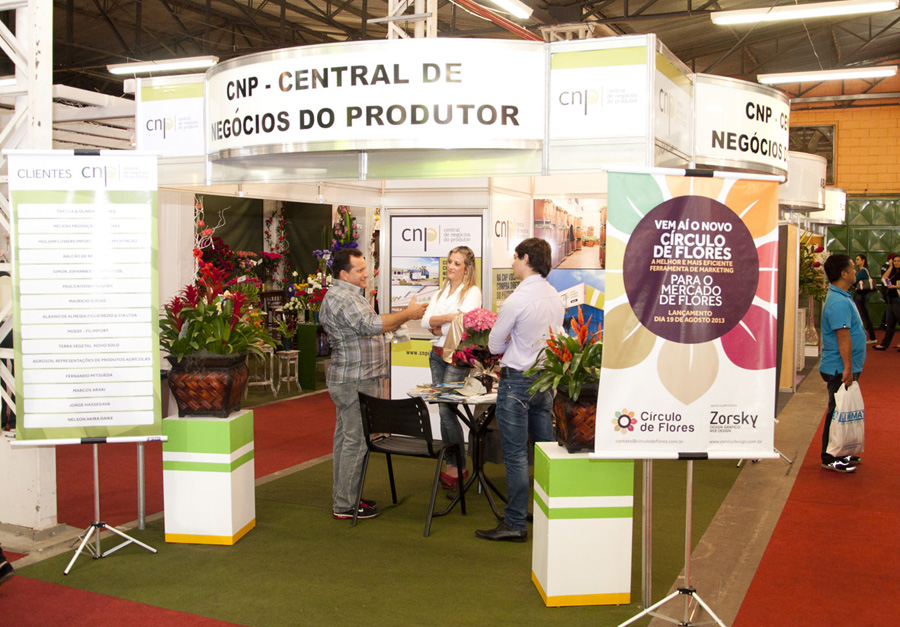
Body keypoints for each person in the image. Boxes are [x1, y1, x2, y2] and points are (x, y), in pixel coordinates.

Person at [320, 248, 428, 520]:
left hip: (352, 377)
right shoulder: (345, 298)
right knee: (355, 441)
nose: (366, 274)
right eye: (359, 270)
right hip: (355, 379)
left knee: (347, 439)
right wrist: (408, 314)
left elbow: (368, 326)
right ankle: (345, 505)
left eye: (365, 268)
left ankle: (346, 497)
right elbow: (371, 325)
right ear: (344, 274)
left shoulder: (344, 296)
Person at [477, 238, 564, 542]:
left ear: (526, 258)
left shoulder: (517, 299)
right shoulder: (554, 296)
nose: (512, 263)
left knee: (515, 454)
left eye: (514, 258)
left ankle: (514, 522)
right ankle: (547, 511)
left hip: (517, 380)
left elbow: (494, 345)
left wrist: (511, 342)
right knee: (545, 449)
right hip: (544, 380)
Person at [421, 246, 482, 490]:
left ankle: (458, 465)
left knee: (447, 410)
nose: (451, 267)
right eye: (449, 262)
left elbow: (463, 324)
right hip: (435, 355)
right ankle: (452, 464)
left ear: (467, 268)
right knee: (442, 408)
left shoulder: (473, 292)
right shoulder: (441, 292)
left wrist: (438, 325)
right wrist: (447, 318)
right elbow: (425, 322)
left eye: (457, 263)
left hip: (456, 356)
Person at [819, 254, 866, 473]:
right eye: (852, 268)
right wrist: (847, 368)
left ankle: (843, 451)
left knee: (843, 411)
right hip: (839, 367)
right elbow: (843, 337)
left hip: (845, 366)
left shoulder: (843, 296)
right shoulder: (838, 302)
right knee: (836, 411)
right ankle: (830, 456)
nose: (855, 271)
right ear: (844, 274)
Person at [873, 254, 900, 351]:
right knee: (890, 324)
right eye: (895, 261)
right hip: (891, 300)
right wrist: (891, 267)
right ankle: (884, 345)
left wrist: (895, 287)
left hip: (898, 300)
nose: (896, 263)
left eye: (898, 261)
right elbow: (883, 279)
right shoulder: (893, 272)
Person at [852, 254, 877, 344]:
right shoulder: (861, 271)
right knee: (865, 316)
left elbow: (854, 281)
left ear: (863, 261)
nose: (856, 261)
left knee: (861, 316)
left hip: (861, 295)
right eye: (856, 259)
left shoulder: (863, 271)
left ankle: (864, 337)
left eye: (858, 259)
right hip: (863, 295)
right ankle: (871, 336)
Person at [878, 253, 895, 330]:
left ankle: (885, 323)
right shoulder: (888, 267)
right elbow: (885, 279)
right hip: (888, 290)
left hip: (887, 290)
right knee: (890, 306)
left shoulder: (884, 267)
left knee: (890, 306)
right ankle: (885, 322)